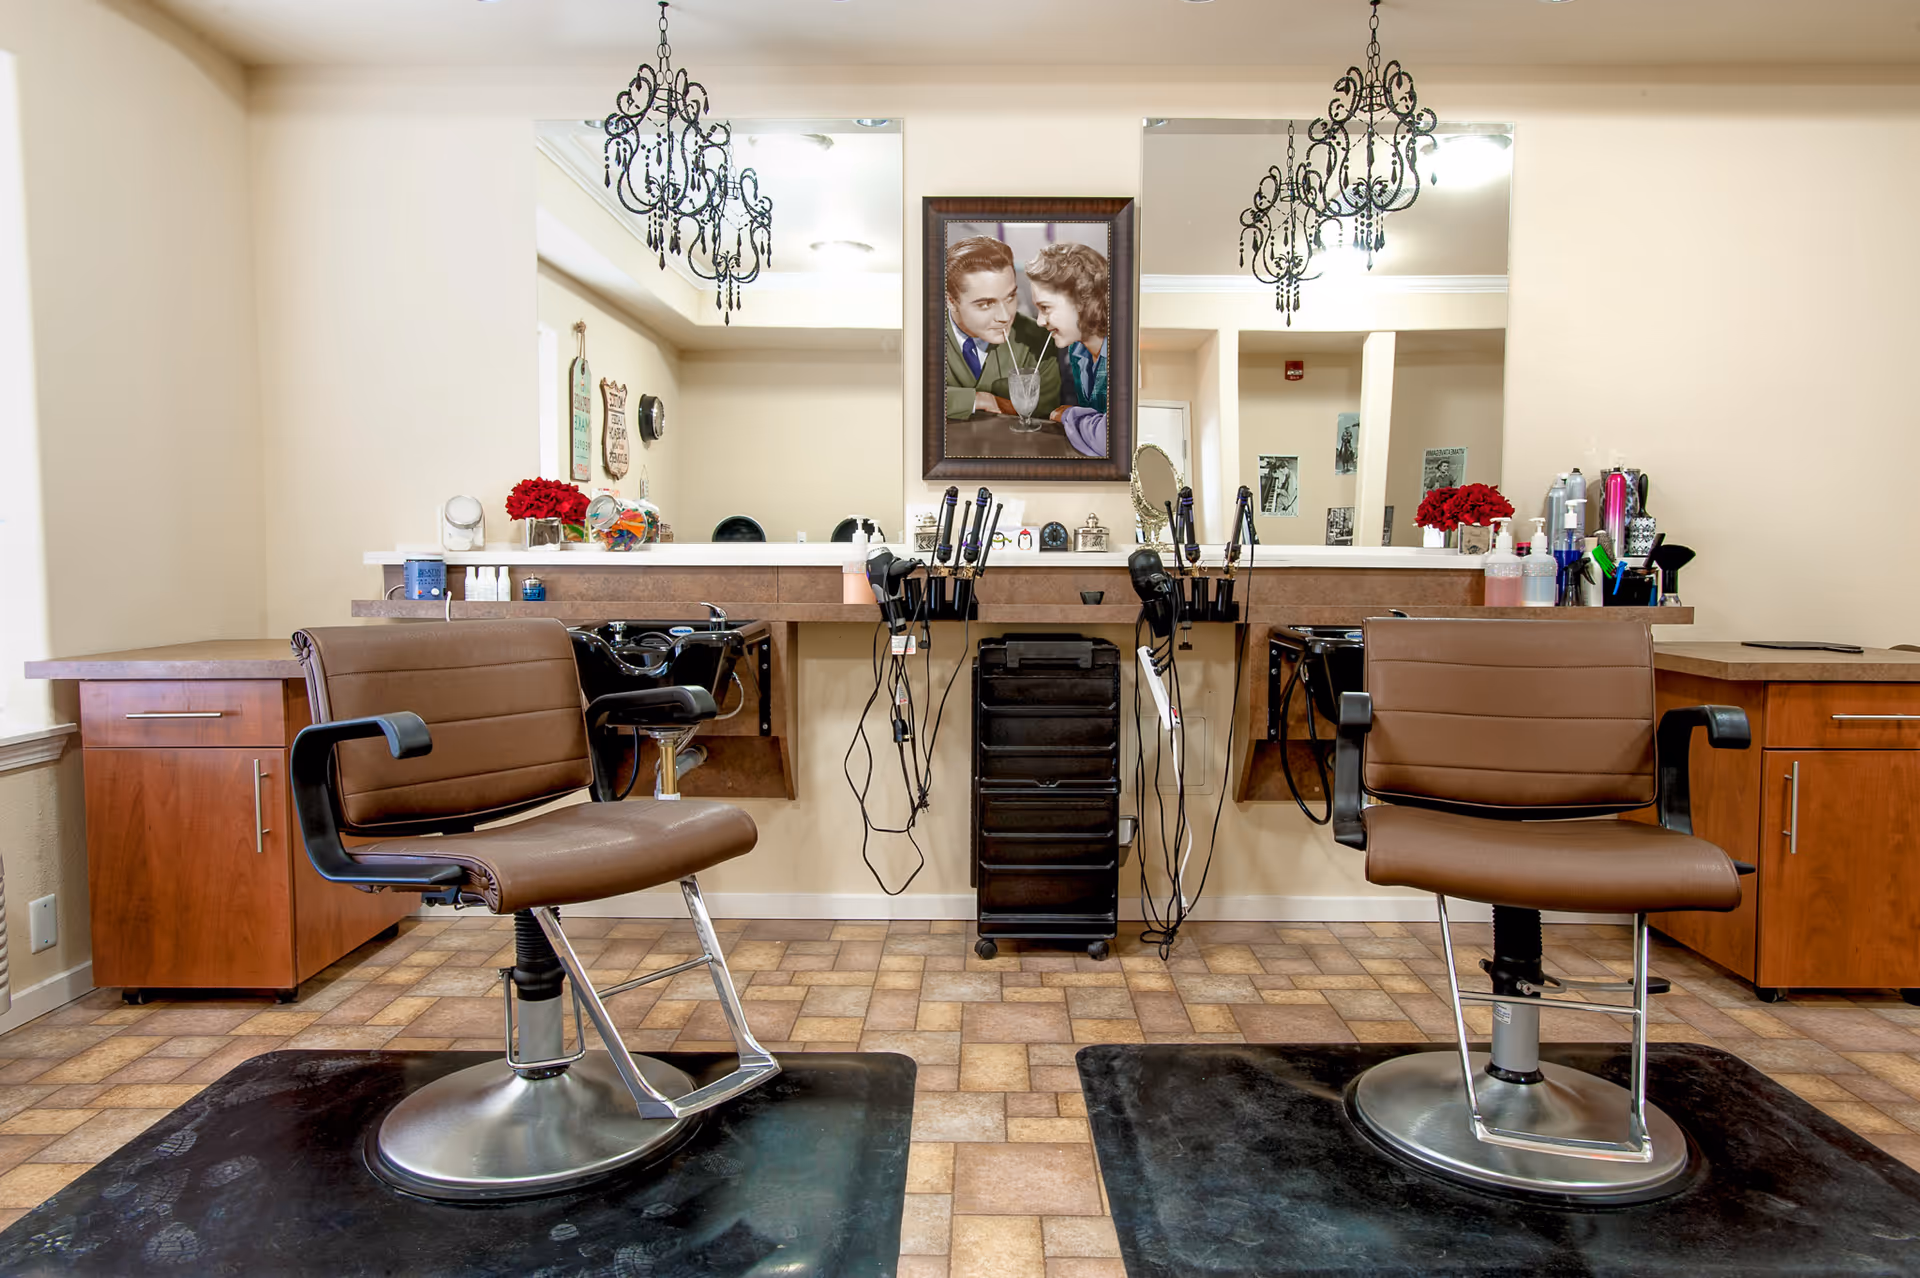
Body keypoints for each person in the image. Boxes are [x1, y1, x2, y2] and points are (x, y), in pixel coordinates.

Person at [944, 236, 1060, 421]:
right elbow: (911, 397)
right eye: (985, 304)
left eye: (1010, 297)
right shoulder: (922, 335)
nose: (1005, 317)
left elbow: (1045, 416)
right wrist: (976, 399)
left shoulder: (1037, 338)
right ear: (951, 301)